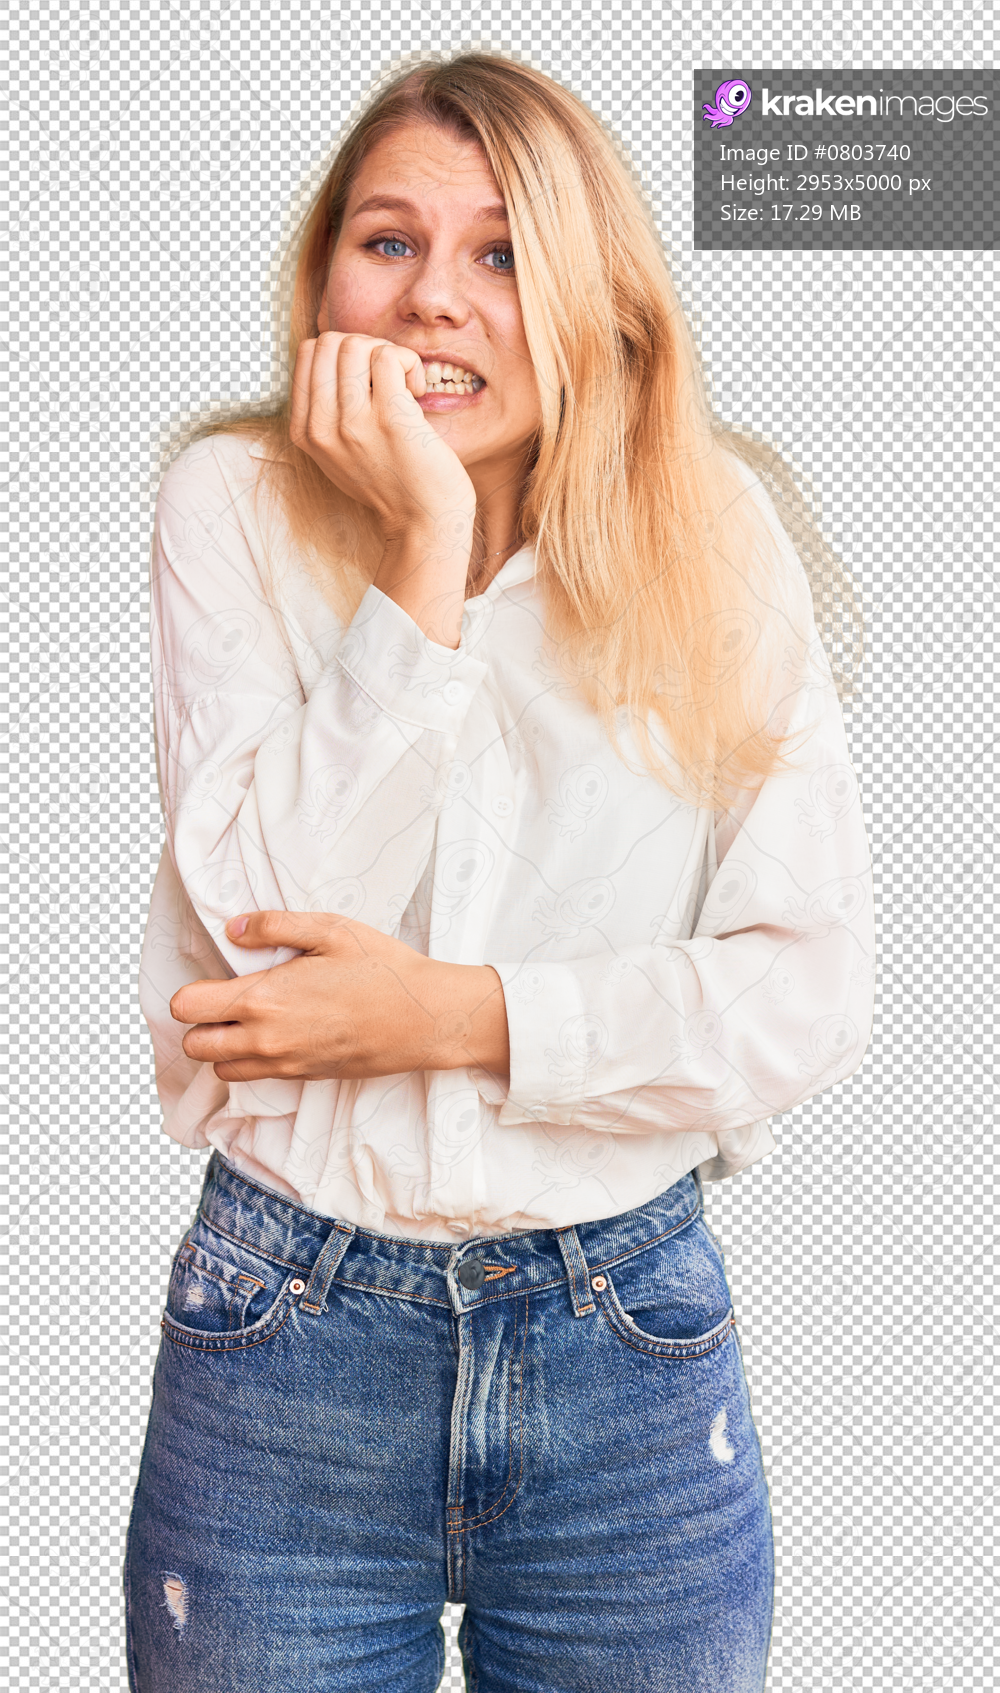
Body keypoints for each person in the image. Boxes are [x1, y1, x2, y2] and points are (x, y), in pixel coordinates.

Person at [124, 52, 875, 1693]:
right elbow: (258, 957)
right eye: (388, 243)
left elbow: (807, 991)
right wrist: (424, 554)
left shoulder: (713, 529)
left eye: (504, 254)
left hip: (629, 1343)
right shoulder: (230, 504)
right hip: (287, 1343)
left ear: (597, 299)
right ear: (324, 279)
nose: (433, 300)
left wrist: (454, 1019)